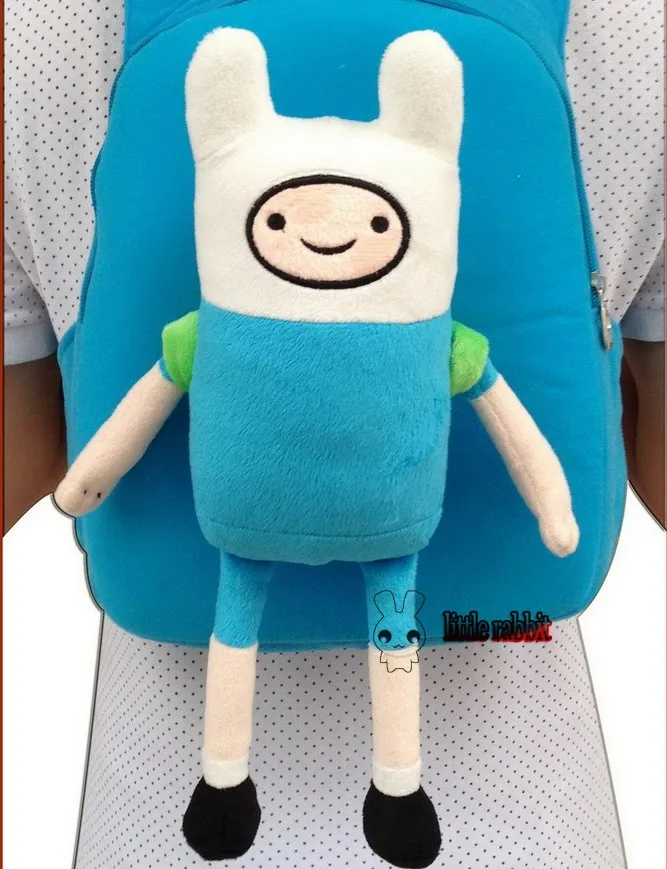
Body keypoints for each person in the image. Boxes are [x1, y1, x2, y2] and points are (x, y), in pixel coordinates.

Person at [4, 1, 663, 867]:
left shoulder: (37, 23)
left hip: (151, 817)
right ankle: (400, 787)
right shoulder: (634, 22)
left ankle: (223, 781)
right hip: (533, 807)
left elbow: (22, 449)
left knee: (236, 606)